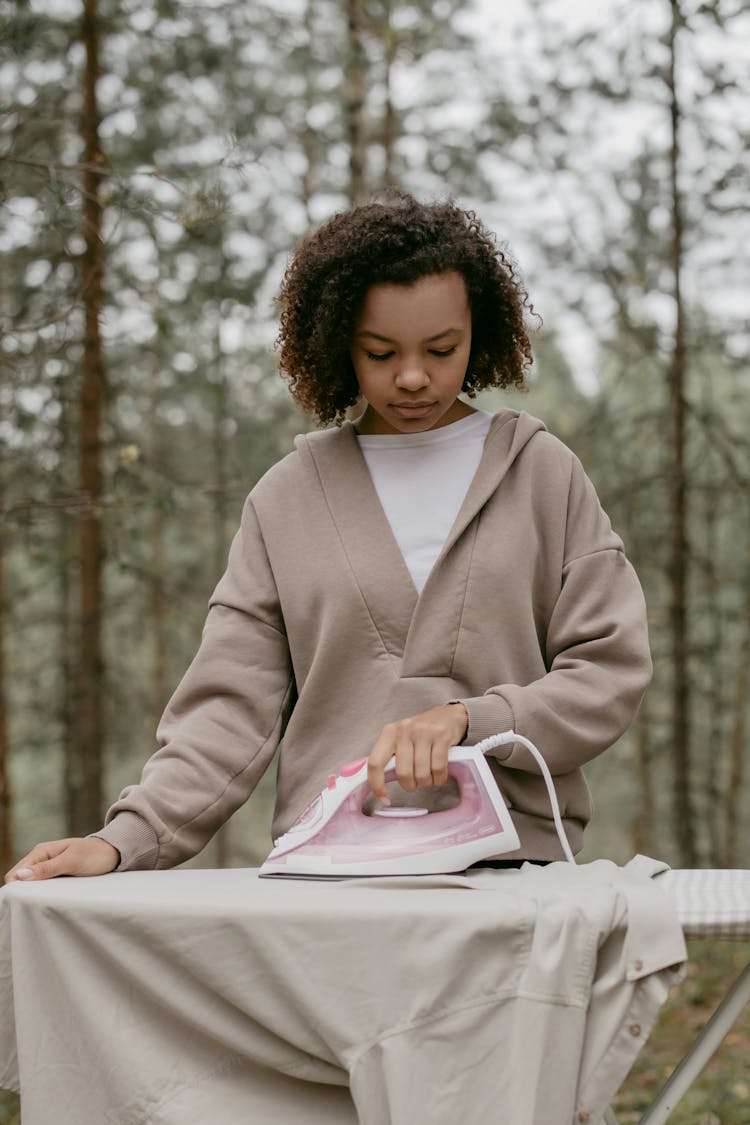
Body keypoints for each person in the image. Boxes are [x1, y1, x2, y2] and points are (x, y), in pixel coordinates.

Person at [4, 190, 651, 883]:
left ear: (481, 332)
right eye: (380, 352)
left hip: (516, 873)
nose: (412, 376)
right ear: (339, 340)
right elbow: (227, 708)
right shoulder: (285, 501)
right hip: (329, 885)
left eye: (441, 349)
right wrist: (125, 840)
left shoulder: (542, 476)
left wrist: (474, 718)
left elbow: (607, 671)